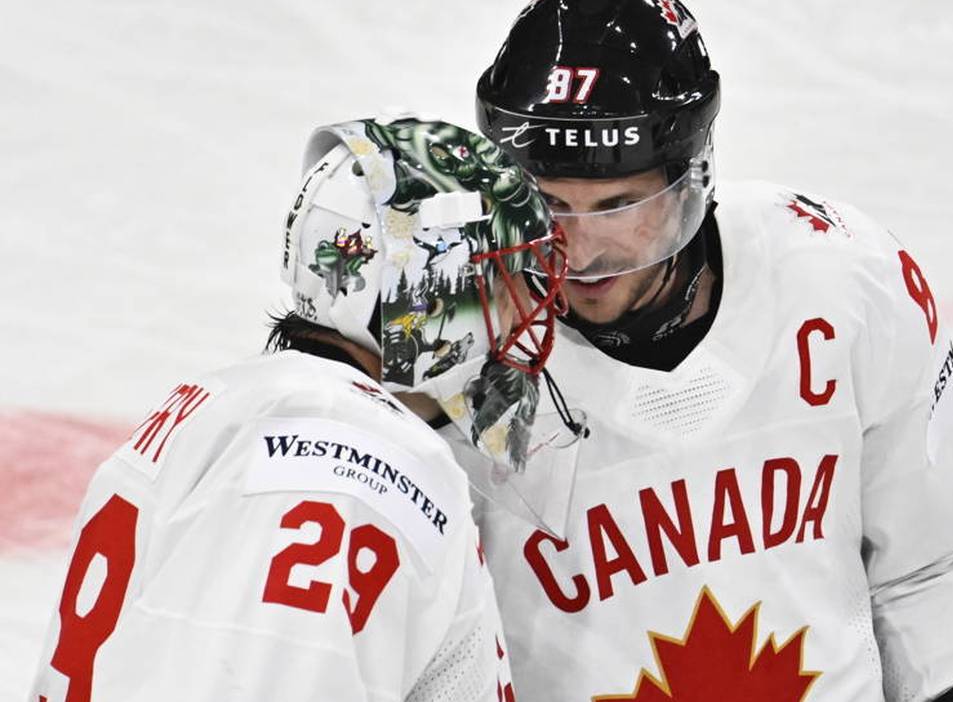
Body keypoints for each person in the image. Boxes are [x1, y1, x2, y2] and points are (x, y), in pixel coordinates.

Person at [468, 0, 953, 702]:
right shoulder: (458, 358)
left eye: (619, 206)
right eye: (548, 204)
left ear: (689, 181)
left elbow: (926, 569)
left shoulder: (840, 281)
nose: (580, 253)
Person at [28, 117, 568, 701]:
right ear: (427, 291)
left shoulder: (251, 407)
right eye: (505, 281)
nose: (525, 313)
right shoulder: (347, 460)